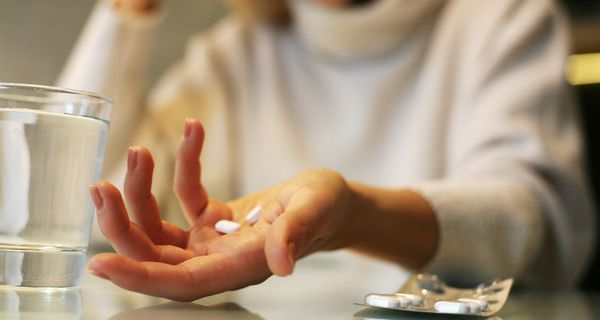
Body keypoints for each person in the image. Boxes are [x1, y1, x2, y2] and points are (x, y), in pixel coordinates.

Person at [59, 0, 595, 301]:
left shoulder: (500, 17)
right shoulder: (237, 52)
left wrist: (353, 215)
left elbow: (536, 221)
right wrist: (124, 13)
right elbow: (80, 207)